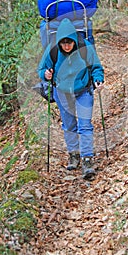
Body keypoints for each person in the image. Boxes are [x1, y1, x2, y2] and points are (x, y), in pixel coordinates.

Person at [38, 18, 104, 180]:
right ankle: (74, 154)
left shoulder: (85, 47)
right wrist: (45, 74)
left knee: (85, 124)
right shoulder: (52, 50)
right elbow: (41, 69)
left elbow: (96, 67)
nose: (67, 46)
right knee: (69, 125)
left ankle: (87, 159)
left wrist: (98, 78)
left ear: (75, 40)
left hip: (83, 89)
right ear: (59, 42)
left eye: (69, 43)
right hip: (62, 92)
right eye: (63, 43)